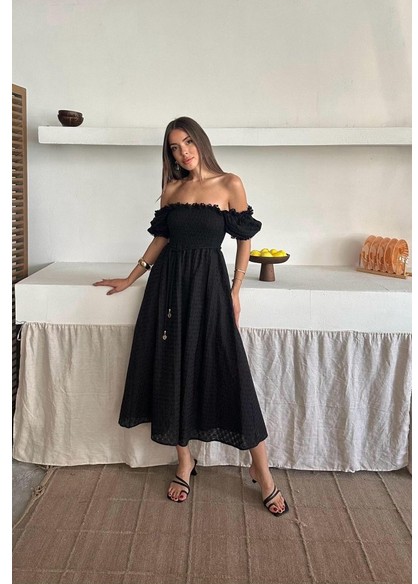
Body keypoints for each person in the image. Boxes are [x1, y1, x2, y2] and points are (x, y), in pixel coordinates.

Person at [93, 116, 288, 516]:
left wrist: (235, 291)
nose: (182, 152)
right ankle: (184, 462)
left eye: (187, 143)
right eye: (174, 148)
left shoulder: (230, 184)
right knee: (173, 368)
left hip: (210, 287)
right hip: (168, 288)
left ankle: (261, 469)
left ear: (200, 141)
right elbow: (161, 239)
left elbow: (245, 240)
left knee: (230, 371)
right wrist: (131, 277)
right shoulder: (172, 189)